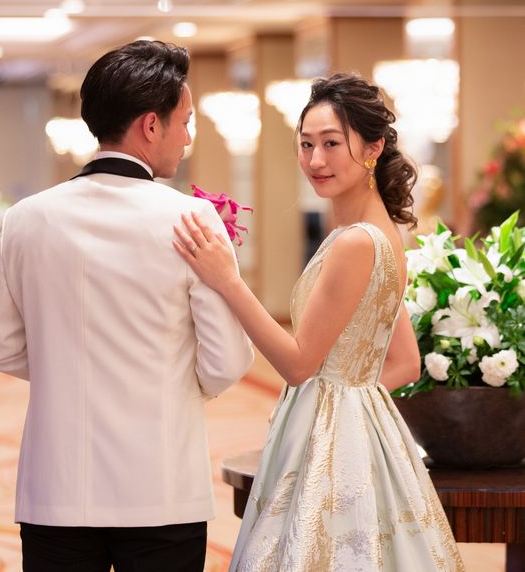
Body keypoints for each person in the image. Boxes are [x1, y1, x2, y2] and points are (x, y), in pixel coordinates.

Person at [0, 40, 254, 572]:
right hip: (160, 484)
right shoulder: (192, 221)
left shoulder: (25, 218)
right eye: (185, 122)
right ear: (151, 125)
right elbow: (226, 362)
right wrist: (166, 376)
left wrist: (66, 365)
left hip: (55, 487)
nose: (188, 137)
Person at [174, 73, 465, 571]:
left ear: (373, 148)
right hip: (355, 431)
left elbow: (298, 364)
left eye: (331, 143)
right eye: (306, 144)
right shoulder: (382, 234)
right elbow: (407, 363)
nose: (315, 161)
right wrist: (348, 405)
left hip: (333, 441)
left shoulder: (355, 243)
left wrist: (228, 280)